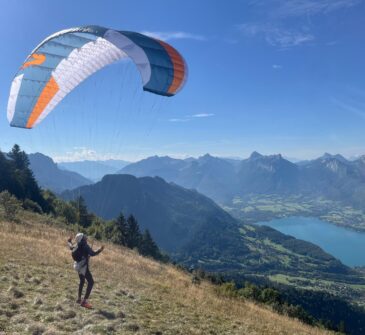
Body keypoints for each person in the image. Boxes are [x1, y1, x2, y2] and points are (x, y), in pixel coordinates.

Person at [67, 233, 104, 309]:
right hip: (83, 266)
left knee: (82, 281)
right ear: (82, 239)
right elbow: (93, 253)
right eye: (84, 237)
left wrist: (69, 240)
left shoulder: (77, 245)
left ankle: (79, 299)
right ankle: (84, 302)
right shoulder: (85, 245)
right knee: (91, 282)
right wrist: (100, 250)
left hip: (77, 265)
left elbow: (70, 247)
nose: (86, 237)